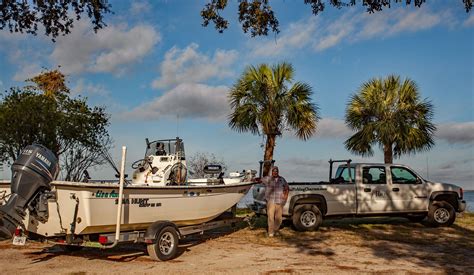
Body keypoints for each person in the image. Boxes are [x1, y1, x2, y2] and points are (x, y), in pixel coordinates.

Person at [261, 166, 289, 237]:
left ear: (278, 172)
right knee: (270, 217)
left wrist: (285, 197)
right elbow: (260, 180)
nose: (275, 172)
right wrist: (253, 179)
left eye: (276, 171)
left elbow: (286, 188)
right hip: (270, 201)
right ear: (271, 172)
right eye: (273, 171)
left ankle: (275, 230)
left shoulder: (282, 179)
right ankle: (271, 232)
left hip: (279, 202)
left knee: (279, 218)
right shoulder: (268, 178)